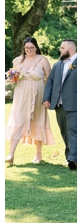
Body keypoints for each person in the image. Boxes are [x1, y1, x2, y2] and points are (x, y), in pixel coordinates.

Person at [42, 39, 77, 170]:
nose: (60, 50)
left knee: (74, 131)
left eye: (62, 48)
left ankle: (73, 159)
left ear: (70, 49)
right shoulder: (57, 65)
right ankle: (69, 157)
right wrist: (46, 98)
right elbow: (50, 82)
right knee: (65, 132)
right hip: (59, 105)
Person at [5, 36, 54, 165]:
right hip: (21, 95)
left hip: (38, 95)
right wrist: (13, 78)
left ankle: (38, 155)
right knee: (18, 119)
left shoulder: (42, 60)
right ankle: (11, 154)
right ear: (24, 48)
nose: (29, 50)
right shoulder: (18, 61)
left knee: (37, 120)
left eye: (32, 47)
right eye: (27, 48)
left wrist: (48, 97)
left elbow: (49, 79)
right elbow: (12, 79)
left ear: (36, 47)